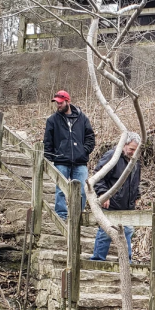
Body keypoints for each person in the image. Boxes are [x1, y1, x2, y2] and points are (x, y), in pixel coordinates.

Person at [44, 90, 95, 220]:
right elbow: (47, 141)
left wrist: (84, 150)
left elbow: (90, 137)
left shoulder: (82, 118)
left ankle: (77, 216)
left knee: (82, 191)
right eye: (57, 103)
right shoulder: (52, 120)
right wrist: (49, 158)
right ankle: (61, 216)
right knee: (60, 190)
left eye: (60, 103)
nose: (58, 105)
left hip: (80, 162)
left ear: (68, 101)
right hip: (61, 161)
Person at [90, 132, 142, 261]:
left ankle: (126, 261)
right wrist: (103, 194)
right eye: (131, 149)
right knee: (106, 232)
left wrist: (137, 195)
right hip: (111, 203)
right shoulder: (112, 156)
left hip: (127, 205)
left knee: (128, 231)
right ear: (124, 145)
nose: (133, 152)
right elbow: (98, 176)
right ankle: (97, 260)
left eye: (136, 150)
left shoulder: (135, 162)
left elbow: (135, 181)